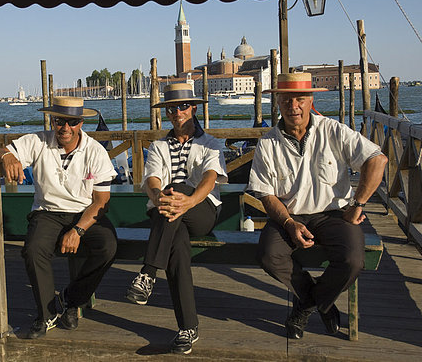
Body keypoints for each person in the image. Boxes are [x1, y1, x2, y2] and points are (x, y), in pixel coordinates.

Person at [247, 72, 387, 340]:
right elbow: (266, 195)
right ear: (278, 104)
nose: (294, 106)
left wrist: (358, 204)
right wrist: (288, 223)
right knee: (268, 256)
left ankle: (307, 304)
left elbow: (377, 160)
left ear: (311, 100)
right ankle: (320, 301)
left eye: (300, 98)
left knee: (352, 261)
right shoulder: (268, 142)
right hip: (289, 214)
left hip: (334, 215)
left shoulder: (332, 130)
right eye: (287, 100)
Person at [0, 96, 118, 339]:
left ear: (81, 123)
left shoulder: (95, 151)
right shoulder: (37, 140)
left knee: (108, 246)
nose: (65, 128)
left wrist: (78, 230)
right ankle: (47, 314)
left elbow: (101, 201)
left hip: (84, 212)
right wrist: (7, 157)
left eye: (72, 121)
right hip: (47, 212)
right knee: (33, 250)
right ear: (53, 121)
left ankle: (71, 300)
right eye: (60, 121)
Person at [125, 83, 228, 355]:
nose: (177, 112)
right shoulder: (159, 146)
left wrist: (188, 199)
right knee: (178, 248)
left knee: (179, 187)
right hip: (168, 216)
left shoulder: (211, 144)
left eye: (182, 106)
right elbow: (152, 179)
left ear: (193, 108)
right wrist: (159, 196)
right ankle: (187, 328)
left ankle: (148, 273)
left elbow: (210, 178)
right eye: (171, 108)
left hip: (201, 211)